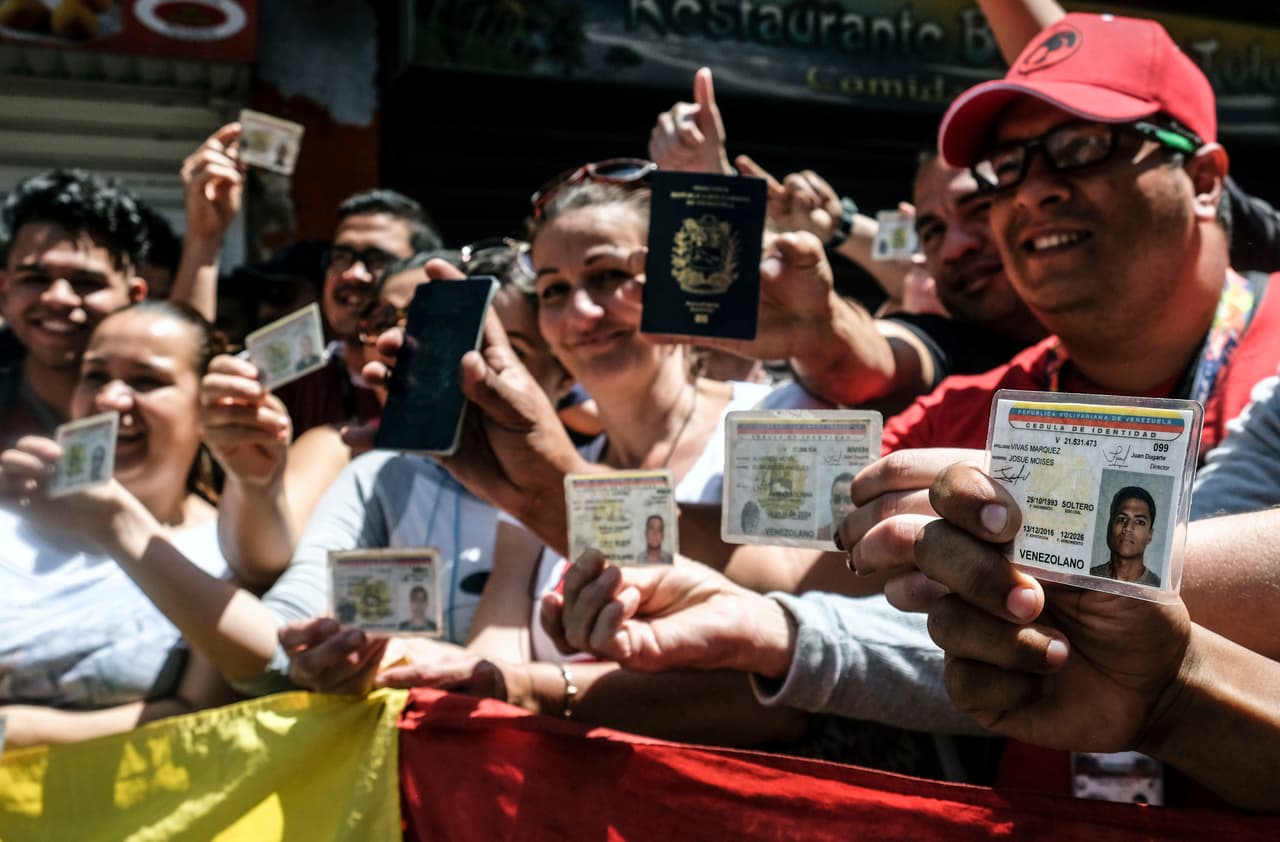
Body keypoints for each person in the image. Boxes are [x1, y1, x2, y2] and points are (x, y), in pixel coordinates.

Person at [0, 301, 276, 746]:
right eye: (95, 376)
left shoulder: (232, 549)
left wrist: (12, 732)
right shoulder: (9, 521)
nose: (111, 400)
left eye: (146, 381)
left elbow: (203, 715)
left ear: (208, 406)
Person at [0, 169, 149, 446]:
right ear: (4, 292)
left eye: (85, 282)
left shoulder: (165, 419)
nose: (58, 298)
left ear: (133, 298)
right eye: (34, 279)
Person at [1091, 487, 1160, 586]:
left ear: (1150, 535)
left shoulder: (1158, 589)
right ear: (1110, 526)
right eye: (1122, 519)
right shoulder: (1087, 578)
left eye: (1139, 522)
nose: (1128, 528)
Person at [815, 472, 855, 541]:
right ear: (831, 503)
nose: (841, 509)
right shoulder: (818, 536)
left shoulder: (864, 536)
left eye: (848, 501)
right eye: (836, 500)